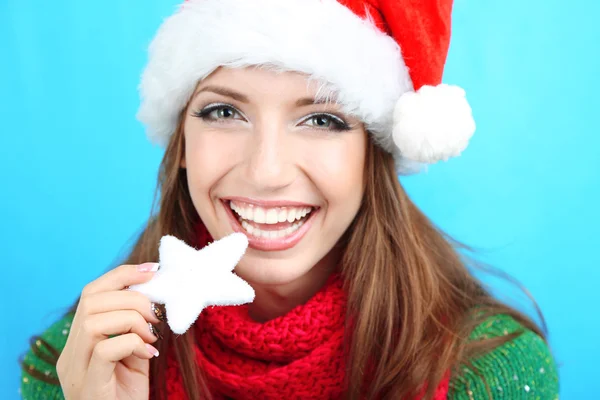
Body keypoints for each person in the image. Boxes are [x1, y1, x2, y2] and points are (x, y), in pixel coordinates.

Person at [20, 0, 560, 399]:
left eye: (322, 119)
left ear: (372, 154)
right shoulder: (78, 368)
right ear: (182, 139)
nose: (267, 171)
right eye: (224, 112)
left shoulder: (489, 371)